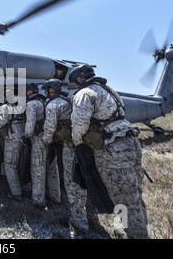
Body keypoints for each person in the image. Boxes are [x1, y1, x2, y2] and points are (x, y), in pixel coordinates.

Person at [69, 65, 148, 239]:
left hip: (113, 147)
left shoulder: (85, 94)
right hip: (130, 141)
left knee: (122, 196)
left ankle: (137, 235)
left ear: (79, 79)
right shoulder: (109, 90)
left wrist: (78, 143)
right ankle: (131, 229)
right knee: (133, 191)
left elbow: (79, 125)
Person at [42, 79, 89, 236]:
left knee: (71, 183)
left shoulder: (53, 105)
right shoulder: (68, 101)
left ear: (50, 90)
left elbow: (49, 128)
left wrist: (46, 141)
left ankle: (79, 224)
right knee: (81, 181)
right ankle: (87, 218)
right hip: (81, 145)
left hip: (67, 146)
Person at [0, 92, 25, 202]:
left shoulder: (4, 107)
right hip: (22, 138)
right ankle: (25, 187)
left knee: (9, 165)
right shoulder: (21, 106)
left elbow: (2, 121)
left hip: (12, 139)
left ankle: (16, 193)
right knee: (21, 164)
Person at [22, 83, 47, 207]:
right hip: (46, 137)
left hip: (37, 139)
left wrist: (26, 136)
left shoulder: (31, 104)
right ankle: (52, 196)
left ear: (29, 92)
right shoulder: (43, 101)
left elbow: (30, 125)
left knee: (37, 169)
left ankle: (38, 200)